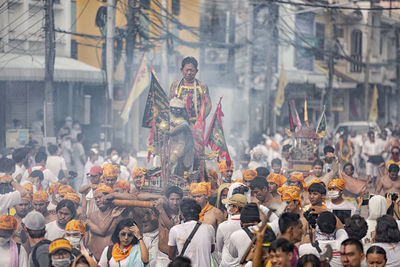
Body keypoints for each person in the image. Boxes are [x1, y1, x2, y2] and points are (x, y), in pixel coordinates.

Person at [168, 198, 215, 267]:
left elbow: (171, 256)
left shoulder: (175, 230)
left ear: (183, 216)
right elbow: (211, 249)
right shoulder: (209, 228)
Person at [86, 184, 125, 261]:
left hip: (113, 258)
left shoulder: (119, 215)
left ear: (108, 198)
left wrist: (113, 195)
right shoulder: (92, 216)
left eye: (100, 197)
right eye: (95, 198)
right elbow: (101, 232)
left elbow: (132, 198)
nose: (97, 200)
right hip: (93, 258)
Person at [169, 56, 212, 124]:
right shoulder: (175, 85)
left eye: (191, 70)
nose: (189, 73)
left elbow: (208, 105)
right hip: (177, 123)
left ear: (196, 71)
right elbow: (170, 103)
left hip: (196, 123)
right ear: (181, 70)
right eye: (187, 70)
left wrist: (200, 120)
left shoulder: (202, 86)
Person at [154, 186, 183, 266]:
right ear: (167, 199)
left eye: (177, 199)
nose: (175, 202)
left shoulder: (183, 213)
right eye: (172, 199)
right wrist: (160, 198)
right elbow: (140, 196)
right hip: (162, 255)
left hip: (179, 256)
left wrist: (161, 211)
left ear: (181, 200)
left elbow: (172, 228)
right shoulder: (161, 208)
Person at [217, 194, 247, 267]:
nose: (228, 207)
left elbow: (219, 248)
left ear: (235, 208)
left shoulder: (223, 226)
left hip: (227, 263)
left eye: (230, 205)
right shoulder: (250, 224)